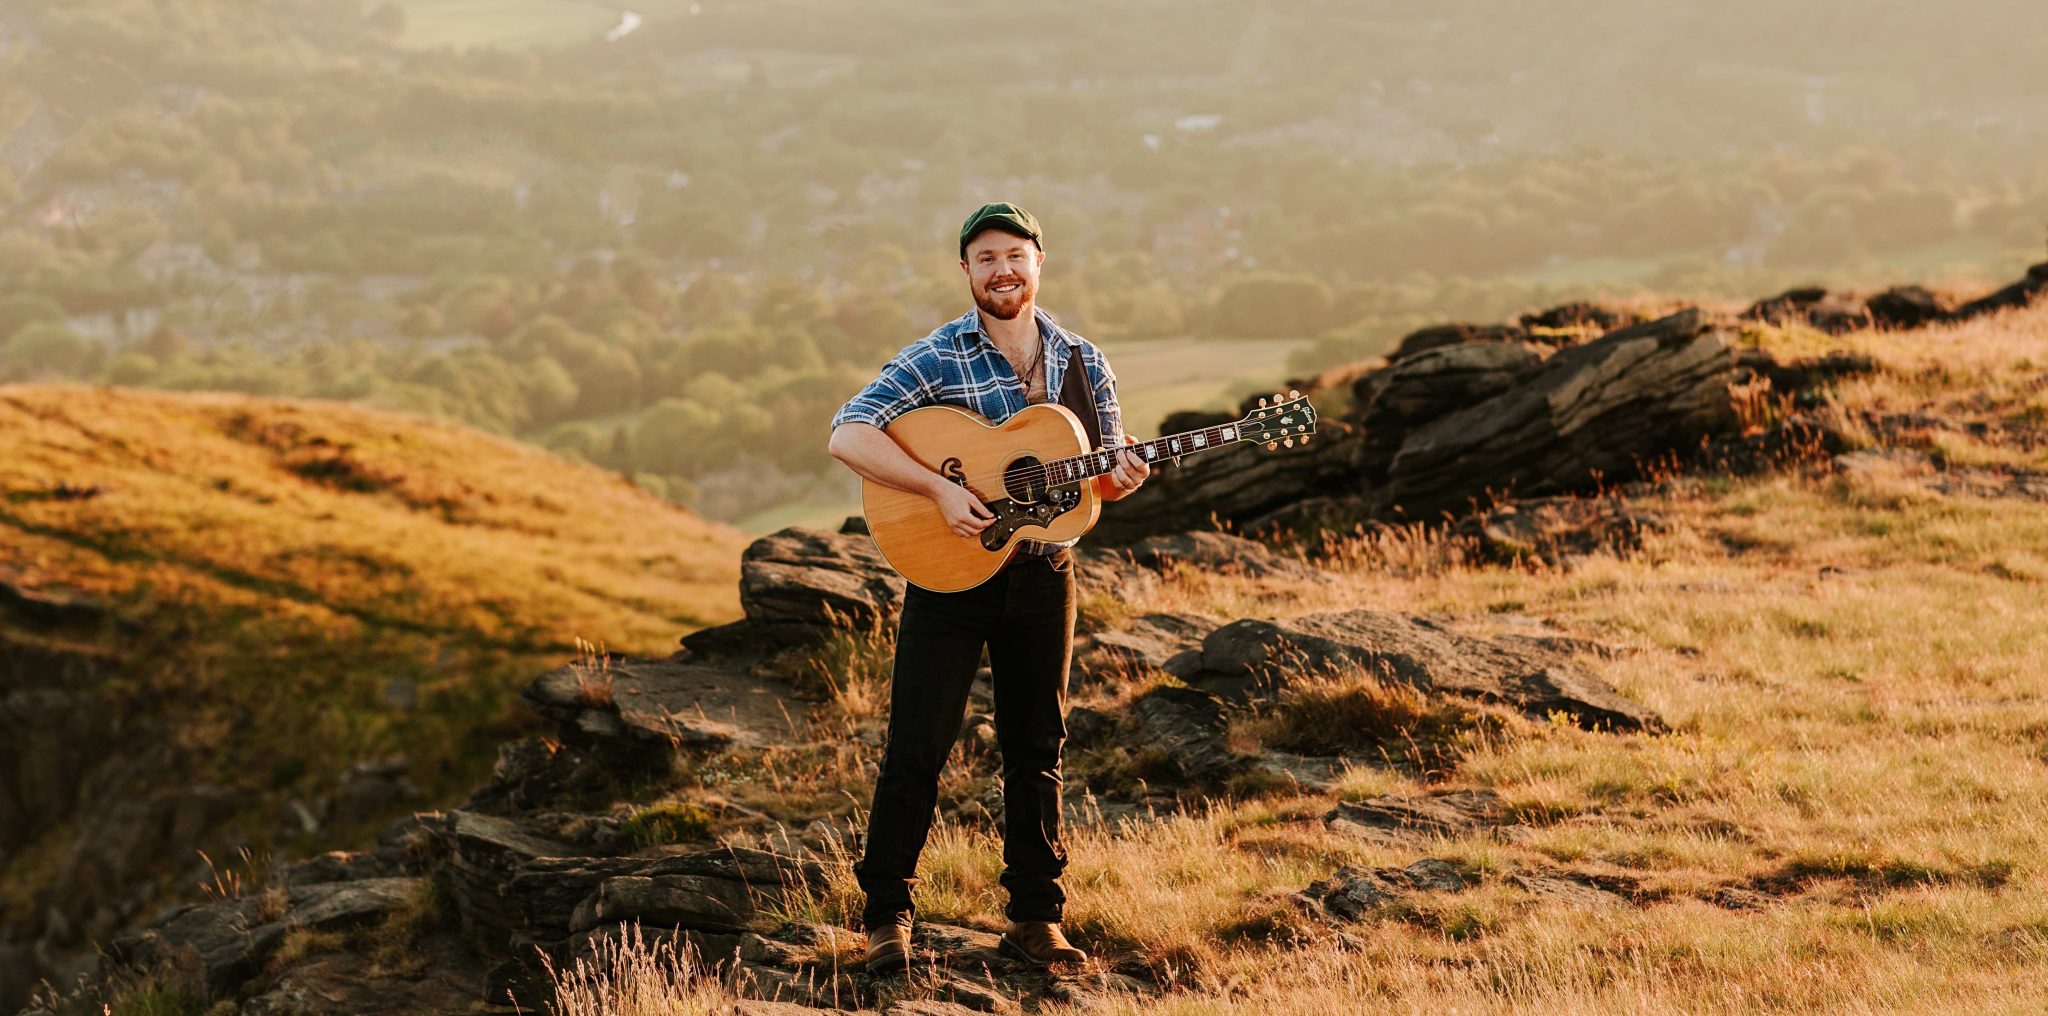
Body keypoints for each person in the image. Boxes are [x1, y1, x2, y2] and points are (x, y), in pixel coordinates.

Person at [826, 202, 1150, 973]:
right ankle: (886, 918)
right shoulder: (938, 356)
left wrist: (1124, 477)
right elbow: (849, 431)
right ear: (966, 272)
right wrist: (937, 490)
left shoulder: (1083, 361)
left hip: (1044, 577)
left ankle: (1036, 919)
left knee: (1037, 748)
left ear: (1039, 262)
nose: (1003, 269)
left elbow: (1093, 484)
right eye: (986, 258)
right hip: (952, 578)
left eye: (1015, 254)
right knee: (917, 748)